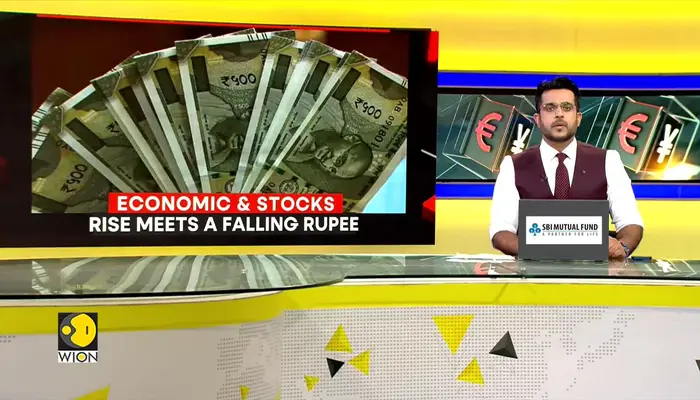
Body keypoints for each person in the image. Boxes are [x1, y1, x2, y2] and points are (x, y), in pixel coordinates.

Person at [489, 77, 644, 260]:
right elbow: (500, 232)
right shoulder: (513, 165)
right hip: (532, 272)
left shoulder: (609, 160)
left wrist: (622, 247)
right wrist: (547, 251)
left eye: (567, 107)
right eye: (550, 108)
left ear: (578, 118)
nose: (559, 114)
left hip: (594, 272)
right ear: (537, 119)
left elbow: (630, 222)